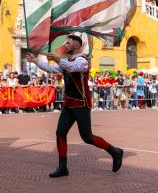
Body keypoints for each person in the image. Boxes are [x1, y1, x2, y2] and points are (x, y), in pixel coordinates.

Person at [27, 35, 123, 178]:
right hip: (69, 104)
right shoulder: (67, 60)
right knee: (60, 132)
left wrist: (58, 59)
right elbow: (52, 69)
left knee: (87, 137)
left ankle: (115, 152)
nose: (66, 45)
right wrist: (36, 62)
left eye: (69, 43)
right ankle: (63, 167)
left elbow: (73, 68)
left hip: (81, 104)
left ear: (77, 45)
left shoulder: (82, 60)